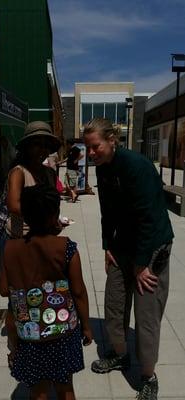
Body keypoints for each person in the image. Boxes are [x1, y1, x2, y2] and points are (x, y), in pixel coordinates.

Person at [83, 118, 174, 400]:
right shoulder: (103, 169)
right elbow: (106, 211)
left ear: (112, 139)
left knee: (146, 316)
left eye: (95, 146)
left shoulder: (137, 167)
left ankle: (149, 376)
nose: (91, 153)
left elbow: (149, 219)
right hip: (122, 246)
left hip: (151, 247)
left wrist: (141, 265)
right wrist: (107, 244)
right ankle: (119, 355)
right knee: (114, 304)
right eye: (88, 148)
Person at [0, 184, 92, 400]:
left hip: (28, 333)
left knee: (38, 390)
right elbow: (78, 292)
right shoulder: (67, 247)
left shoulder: (11, 249)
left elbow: (5, 290)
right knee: (65, 387)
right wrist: (86, 327)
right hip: (63, 331)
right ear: (55, 215)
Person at [6, 120, 61, 239]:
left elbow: (52, 201)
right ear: (27, 147)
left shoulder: (50, 173)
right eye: (37, 144)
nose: (43, 149)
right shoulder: (19, 172)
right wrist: (43, 219)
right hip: (20, 237)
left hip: (44, 235)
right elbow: (13, 206)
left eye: (46, 146)